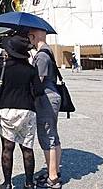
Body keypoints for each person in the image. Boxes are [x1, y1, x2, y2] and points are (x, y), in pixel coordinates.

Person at [0, 34, 44, 189]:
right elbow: (39, 91)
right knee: (27, 148)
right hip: (27, 110)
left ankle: (7, 183)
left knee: (7, 148)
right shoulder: (30, 69)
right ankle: (29, 183)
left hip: (6, 109)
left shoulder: (3, 68)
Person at [28, 28, 63, 188]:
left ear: (33, 36)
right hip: (52, 96)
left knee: (47, 135)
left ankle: (53, 177)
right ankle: (52, 170)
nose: (29, 40)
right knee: (53, 136)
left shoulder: (41, 56)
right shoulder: (48, 51)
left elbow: (38, 81)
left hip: (46, 99)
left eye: (29, 36)